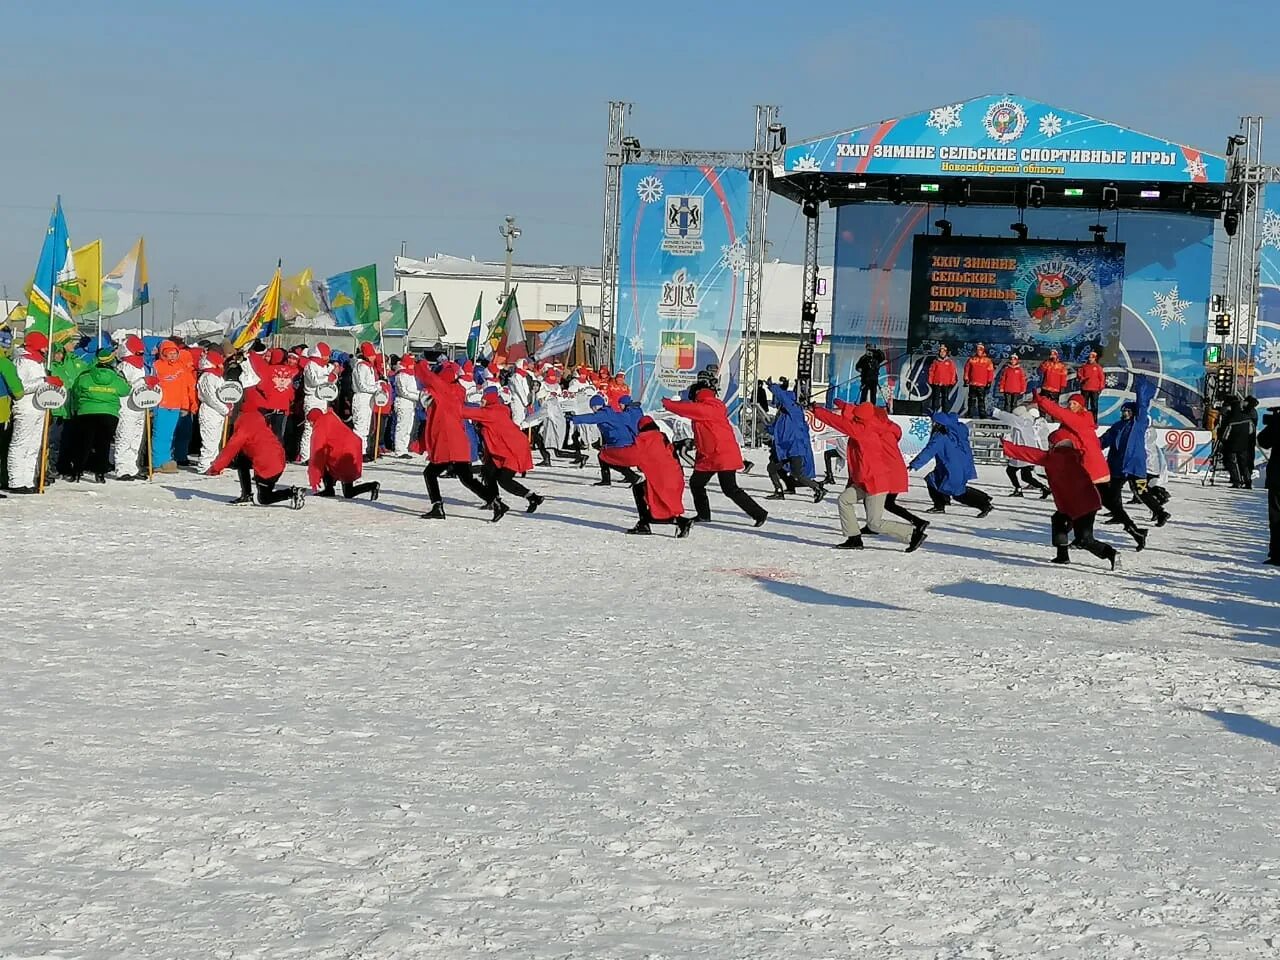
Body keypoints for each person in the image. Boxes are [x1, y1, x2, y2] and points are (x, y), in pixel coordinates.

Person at [1036, 390, 1146, 551]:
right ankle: (1135, 532)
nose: (1070, 406)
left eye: (1074, 404)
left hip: (1092, 472)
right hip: (1094, 470)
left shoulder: (1080, 420)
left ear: (1081, 406)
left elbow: (1060, 421)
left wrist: (1043, 402)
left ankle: (1080, 539)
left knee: (1084, 506)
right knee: (1109, 505)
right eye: (1070, 403)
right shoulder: (1076, 423)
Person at [812, 401, 928, 552]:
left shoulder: (862, 430)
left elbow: (838, 422)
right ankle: (854, 538)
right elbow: (855, 413)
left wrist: (817, 411)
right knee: (844, 500)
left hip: (875, 481)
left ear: (860, 420)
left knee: (874, 523)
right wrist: (842, 405)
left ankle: (912, 534)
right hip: (865, 479)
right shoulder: (874, 422)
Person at [1002, 432, 1120, 570]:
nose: (1049, 446)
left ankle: (1111, 553)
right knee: (1058, 520)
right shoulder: (1072, 455)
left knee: (1084, 539)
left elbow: (1032, 454)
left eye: (1050, 443)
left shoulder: (1056, 457)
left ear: (1055, 444)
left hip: (1082, 505)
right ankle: (1062, 555)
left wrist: (1007, 446)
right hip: (1078, 502)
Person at [662, 383, 768, 527]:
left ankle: (759, 514)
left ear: (697, 393)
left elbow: (686, 409)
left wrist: (668, 404)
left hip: (721, 455)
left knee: (729, 488)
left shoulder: (709, 407)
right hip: (710, 456)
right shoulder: (710, 406)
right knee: (697, 484)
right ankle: (704, 515)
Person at [417, 360, 503, 520]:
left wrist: (420, 364)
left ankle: (437, 506)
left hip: (446, 443)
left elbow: (428, 379)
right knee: (466, 478)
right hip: (459, 442)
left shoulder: (443, 390)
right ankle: (495, 501)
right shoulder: (458, 392)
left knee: (429, 473)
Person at [599, 416, 694, 537]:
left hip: (662, 482)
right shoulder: (662, 438)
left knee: (646, 498)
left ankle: (675, 522)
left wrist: (605, 452)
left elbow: (626, 456)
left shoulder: (645, 443)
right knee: (661, 507)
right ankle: (652, 523)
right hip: (676, 479)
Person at [461, 387, 545, 521]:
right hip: (502, 449)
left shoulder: (490, 413)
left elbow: (465, 412)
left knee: (504, 480)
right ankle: (494, 500)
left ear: (489, 399)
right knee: (488, 472)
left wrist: (448, 403)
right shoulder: (497, 410)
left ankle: (533, 498)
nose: (481, 401)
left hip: (513, 449)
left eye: (483, 398)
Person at [1099, 376, 1171, 528]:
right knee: (1113, 492)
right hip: (1118, 465)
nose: (1125, 413)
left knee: (1141, 491)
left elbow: (1142, 405)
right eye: (1123, 411)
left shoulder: (1138, 424)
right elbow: (1104, 440)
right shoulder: (1117, 426)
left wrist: (1140, 387)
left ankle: (1160, 512)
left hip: (1134, 465)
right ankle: (1118, 513)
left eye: (1128, 411)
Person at [208, 406, 304, 508]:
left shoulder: (242, 430)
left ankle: (292, 492)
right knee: (242, 458)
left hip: (268, 466)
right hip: (279, 457)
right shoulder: (258, 420)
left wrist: (215, 468)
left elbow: (229, 451)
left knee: (264, 498)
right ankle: (247, 495)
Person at [5, 332, 61, 494]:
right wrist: (44, 381)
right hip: (25, 407)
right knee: (20, 444)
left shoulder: (38, 361)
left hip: (39, 408)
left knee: (34, 446)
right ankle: (16, 481)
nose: (45, 349)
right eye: (43, 346)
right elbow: (22, 386)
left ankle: (28, 480)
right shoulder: (22, 361)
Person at [908, 412, 994, 517]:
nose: (932, 424)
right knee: (933, 479)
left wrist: (914, 464)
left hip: (952, 470)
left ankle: (984, 504)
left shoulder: (940, 437)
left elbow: (928, 452)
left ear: (938, 424)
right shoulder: (957, 433)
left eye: (933, 422)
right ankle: (982, 499)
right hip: (961, 468)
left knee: (958, 493)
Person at [65, 348, 131, 482]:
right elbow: (125, 391)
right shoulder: (116, 377)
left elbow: (76, 390)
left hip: (87, 412)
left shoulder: (85, 376)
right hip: (109, 413)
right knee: (104, 444)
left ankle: (77, 471)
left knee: (84, 443)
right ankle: (100, 473)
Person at [765, 382, 824, 502]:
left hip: (795, 449)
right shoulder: (782, 415)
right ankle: (780, 490)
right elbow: (775, 429)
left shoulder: (795, 410)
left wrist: (773, 387)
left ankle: (818, 488)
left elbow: (784, 398)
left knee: (798, 474)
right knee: (772, 468)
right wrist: (767, 427)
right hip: (785, 450)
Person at [305, 408, 380, 500]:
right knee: (348, 491)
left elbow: (317, 454)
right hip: (352, 448)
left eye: (310, 422)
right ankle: (372, 486)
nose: (310, 425)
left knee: (325, 462)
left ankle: (329, 489)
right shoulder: (331, 418)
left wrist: (314, 478)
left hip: (341, 452)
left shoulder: (320, 427)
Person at [570, 393, 641, 487]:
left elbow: (591, 418)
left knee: (607, 457)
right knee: (604, 456)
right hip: (621, 441)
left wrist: (573, 418)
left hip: (620, 442)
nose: (592, 410)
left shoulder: (604, 414)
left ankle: (633, 477)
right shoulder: (610, 412)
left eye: (592, 407)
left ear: (595, 406)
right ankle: (620, 478)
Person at [151, 339, 198, 474]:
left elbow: (190, 387)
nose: (172, 356)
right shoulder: (157, 366)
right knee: (162, 435)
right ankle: (159, 462)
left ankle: (172, 458)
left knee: (176, 435)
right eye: (169, 353)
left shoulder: (181, 368)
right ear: (163, 354)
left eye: (174, 353)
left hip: (179, 406)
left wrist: (191, 404)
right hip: (163, 405)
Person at [992, 403, 1051, 498]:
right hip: (1023, 452)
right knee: (1024, 476)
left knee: (1013, 471)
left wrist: (997, 412)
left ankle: (1020, 490)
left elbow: (1009, 418)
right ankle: (1043, 488)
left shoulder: (1023, 422)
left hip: (1023, 452)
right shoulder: (1026, 422)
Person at [113, 335, 150, 480]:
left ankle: (132, 467)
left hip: (140, 406)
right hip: (127, 406)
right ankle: (122, 468)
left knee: (136, 438)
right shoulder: (124, 366)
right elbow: (124, 387)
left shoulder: (141, 365)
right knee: (125, 437)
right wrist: (142, 382)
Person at [298, 343, 337, 463]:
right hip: (312, 399)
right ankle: (306, 456)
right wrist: (328, 378)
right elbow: (314, 380)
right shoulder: (310, 365)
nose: (327, 358)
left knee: (321, 429)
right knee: (310, 427)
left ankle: (318, 454)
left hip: (323, 399)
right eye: (325, 355)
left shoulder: (324, 366)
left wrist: (333, 375)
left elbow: (332, 379)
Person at [195, 351, 232, 474]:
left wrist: (228, 403)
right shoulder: (208, 377)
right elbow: (211, 398)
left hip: (218, 412)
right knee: (209, 439)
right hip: (210, 410)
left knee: (215, 439)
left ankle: (214, 463)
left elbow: (222, 394)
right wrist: (225, 409)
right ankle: (205, 465)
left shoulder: (216, 376)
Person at [1256, 406, 1279, 565]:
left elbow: (1263, 441)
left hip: (1279, 477)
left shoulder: (1278, 422)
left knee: (1277, 515)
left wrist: (1274, 423)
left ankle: (1277, 554)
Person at [350, 341, 380, 460]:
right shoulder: (361, 366)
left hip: (368, 398)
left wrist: (379, 383)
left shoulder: (368, 367)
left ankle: (363, 449)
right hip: (361, 397)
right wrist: (376, 388)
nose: (374, 358)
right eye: (372, 355)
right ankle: (357, 451)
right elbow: (363, 385)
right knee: (360, 425)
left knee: (366, 426)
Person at [1218, 396, 1255, 489]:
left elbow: (1225, 436)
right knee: (1244, 464)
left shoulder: (1231, 420)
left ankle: (1237, 481)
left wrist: (1222, 439)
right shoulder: (1247, 418)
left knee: (1233, 463)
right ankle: (1248, 481)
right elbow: (1251, 431)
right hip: (1244, 445)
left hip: (1232, 446)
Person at [390, 354, 420, 459]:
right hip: (403, 403)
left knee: (408, 427)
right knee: (402, 427)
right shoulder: (401, 375)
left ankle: (404, 448)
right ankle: (399, 450)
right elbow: (403, 392)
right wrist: (418, 396)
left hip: (410, 404)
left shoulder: (410, 374)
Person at [962, 343, 995, 419]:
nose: (979, 351)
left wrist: (989, 381)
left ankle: (982, 414)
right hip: (973, 382)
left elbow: (990, 371)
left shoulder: (987, 361)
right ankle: (970, 413)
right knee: (971, 399)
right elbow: (967, 370)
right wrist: (966, 379)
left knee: (981, 400)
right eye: (977, 349)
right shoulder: (972, 359)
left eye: (980, 349)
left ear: (983, 350)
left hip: (982, 383)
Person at [1076, 350, 1105, 421]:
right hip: (1085, 388)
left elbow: (1102, 378)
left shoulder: (1098, 367)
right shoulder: (1084, 366)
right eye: (1089, 357)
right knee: (1083, 405)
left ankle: (1094, 421)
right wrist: (1082, 378)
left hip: (1095, 389)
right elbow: (1079, 375)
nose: (1090, 359)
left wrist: (1101, 387)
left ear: (1095, 358)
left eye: (1092, 357)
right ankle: (1082, 420)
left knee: (1094, 406)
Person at [927, 345, 957, 413]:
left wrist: (952, 381)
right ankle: (934, 411)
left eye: (944, 352)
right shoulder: (935, 361)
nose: (942, 353)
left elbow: (953, 372)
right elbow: (931, 371)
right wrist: (930, 380)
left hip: (946, 383)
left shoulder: (949, 362)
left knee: (945, 398)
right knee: (935, 398)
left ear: (946, 353)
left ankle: (945, 412)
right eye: (941, 351)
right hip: (937, 382)